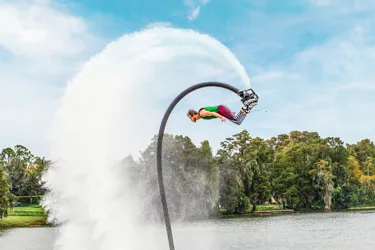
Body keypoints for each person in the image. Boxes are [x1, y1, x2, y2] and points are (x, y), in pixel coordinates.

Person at [187, 88, 258, 125]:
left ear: (193, 114)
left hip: (221, 110)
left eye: (191, 118)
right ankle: (248, 107)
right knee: (237, 121)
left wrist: (222, 117)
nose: (192, 120)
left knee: (237, 121)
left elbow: (213, 113)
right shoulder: (202, 116)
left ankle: (248, 105)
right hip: (222, 110)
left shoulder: (201, 113)